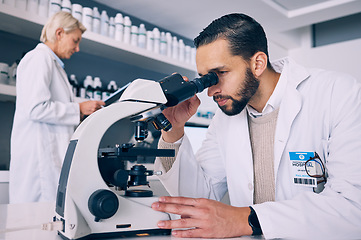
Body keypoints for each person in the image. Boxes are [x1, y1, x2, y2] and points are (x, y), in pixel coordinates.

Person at [151, 13, 361, 239]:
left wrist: (247, 218)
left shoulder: (336, 93)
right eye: (205, 79)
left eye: (219, 74)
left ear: (258, 63)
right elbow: (200, 197)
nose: (211, 91)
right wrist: (173, 129)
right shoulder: (224, 119)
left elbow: (352, 206)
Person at [9, 12, 105, 203]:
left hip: (51, 161)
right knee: (36, 226)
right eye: (75, 41)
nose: (77, 48)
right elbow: (36, 108)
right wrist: (78, 108)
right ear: (59, 33)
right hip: (39, 167)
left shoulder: (55, 66)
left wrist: (83, 113)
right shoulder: (38, 59)